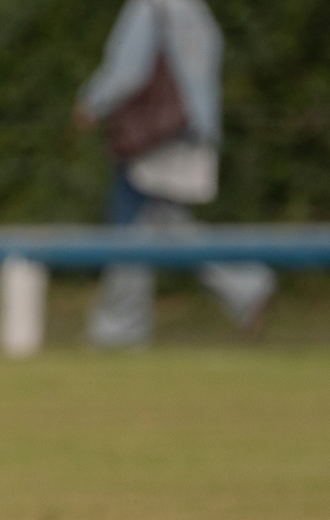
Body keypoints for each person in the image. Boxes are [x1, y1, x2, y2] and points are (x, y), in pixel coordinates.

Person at [73, 0, 275, 346]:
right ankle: (247, 287)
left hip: (153, 139)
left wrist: (92, 103)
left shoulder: (149, 8)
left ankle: (121, 328)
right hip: (188, 134)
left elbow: (128, 72)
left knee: (130, 226)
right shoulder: (196, 10)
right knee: (168, 226)